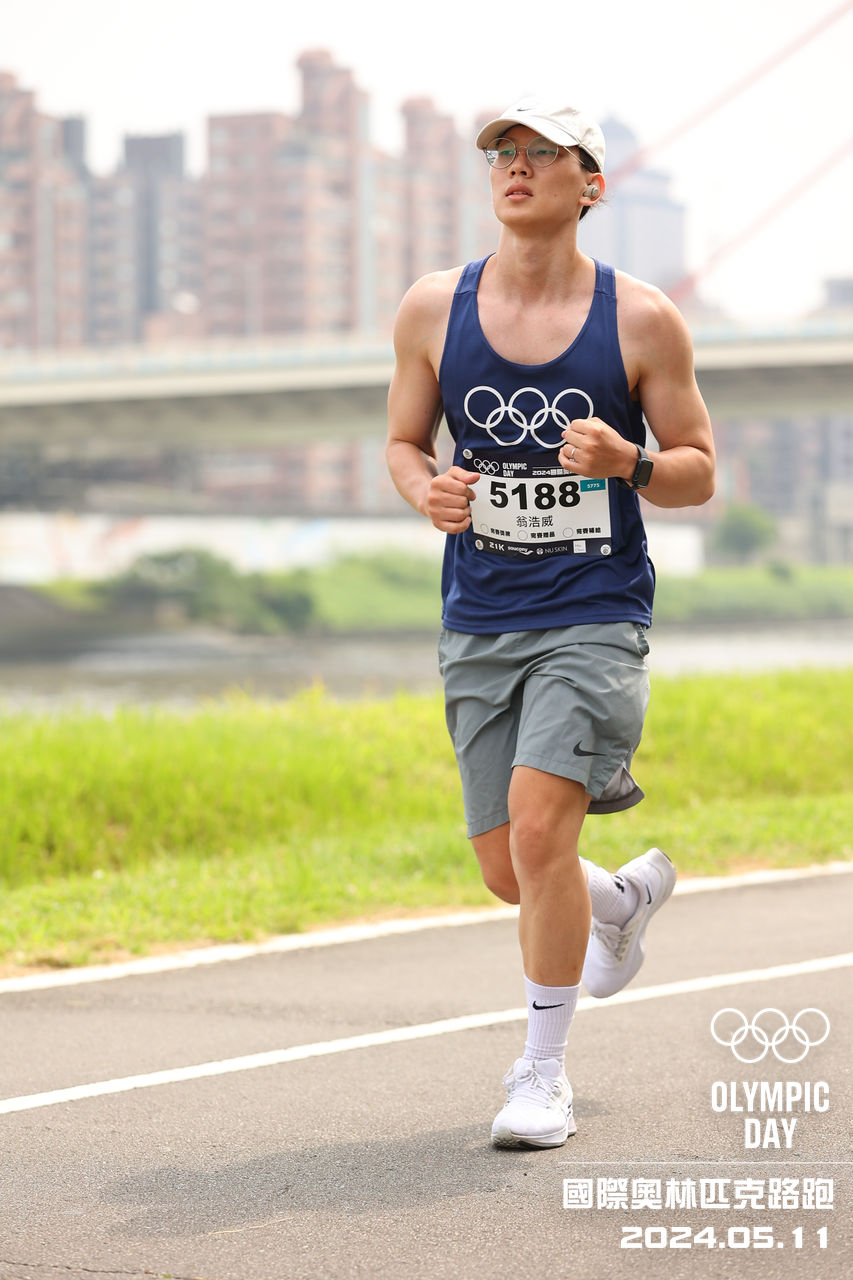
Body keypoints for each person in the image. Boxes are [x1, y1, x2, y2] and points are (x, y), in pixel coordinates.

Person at [385, 97, 715, 1149]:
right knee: (508, 868)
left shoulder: (642, 320)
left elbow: (698, 470)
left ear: (591, 183)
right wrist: (427, 490)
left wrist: (631, 461)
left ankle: (540, 1075)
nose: (516, 167)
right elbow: (402, 444)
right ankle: (616, 903)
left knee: (538, 832)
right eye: (503, 154)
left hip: (593, 611)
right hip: (479, 615)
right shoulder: (432, 308)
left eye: (542, 153)